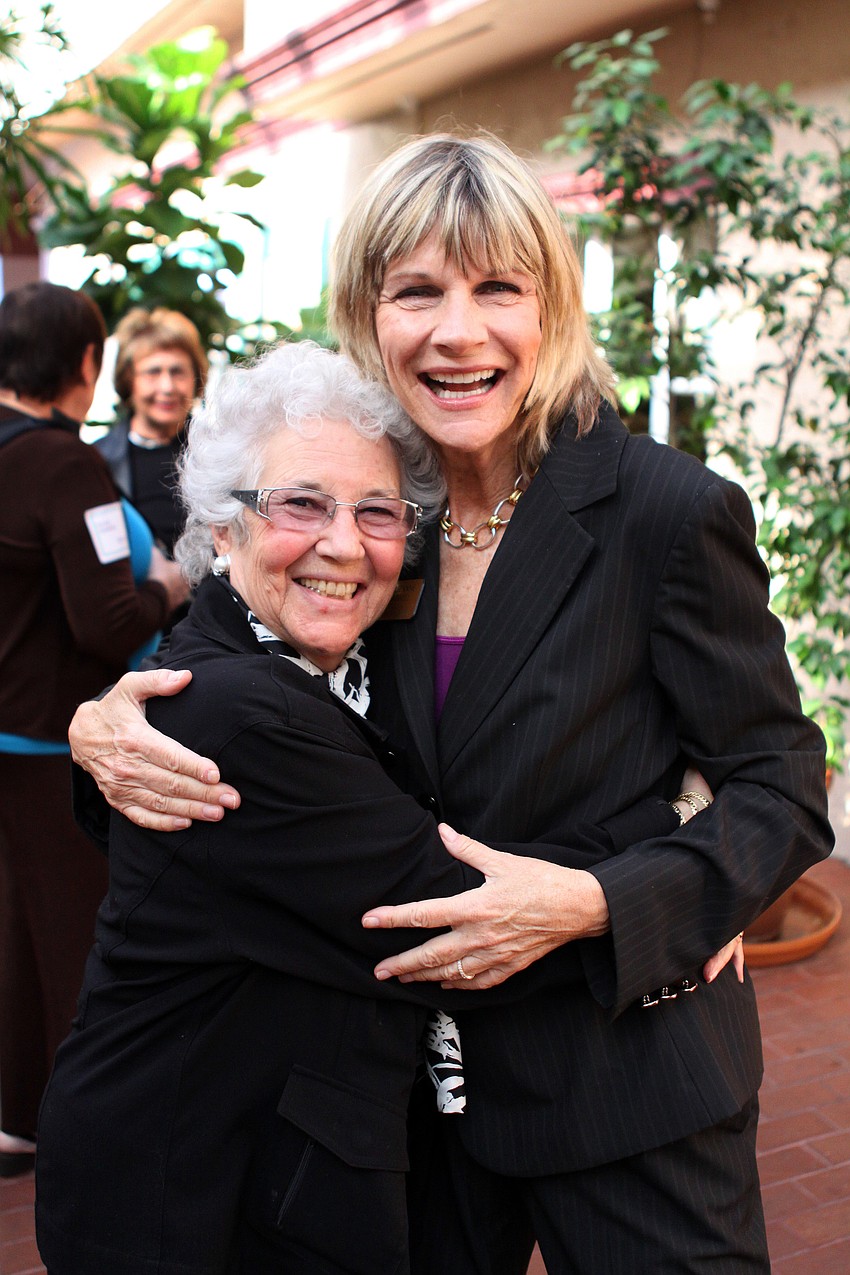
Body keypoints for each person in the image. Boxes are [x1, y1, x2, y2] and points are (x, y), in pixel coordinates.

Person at [68, 134, 833, 1273]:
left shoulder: (663, 513)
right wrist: (103, 733)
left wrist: (622, 901)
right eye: (416, 291)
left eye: (497, 289)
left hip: (626, 1082)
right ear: (366, 315)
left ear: (554, 308)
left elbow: (781, 784)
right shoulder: (373, 519)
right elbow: (256, 718)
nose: (457, 332)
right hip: (406, 1114)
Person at [37, 339, 609, 1274]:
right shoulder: (244, 711)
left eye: (378, 512)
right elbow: (450, 908)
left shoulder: (334, 672)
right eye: (300, 503)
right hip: (187, 1200)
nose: (344, 543)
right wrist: (676, 839)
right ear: (225, 530)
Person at [0, 282, 188, 1180]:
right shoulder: (64, 465)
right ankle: (92, 1130)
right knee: (79, 933)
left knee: (14, 933)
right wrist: (177, 587)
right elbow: (108, 621)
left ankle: (20, 1116)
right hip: (50, 744)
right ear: (85, 366)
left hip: (5, 736)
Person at [96, 306, 208, 556]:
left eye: (178, 372)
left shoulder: (219, 454)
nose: (167, 387)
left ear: (196, 379)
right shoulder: (98, 459)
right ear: (129, 381)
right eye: (153, 372)